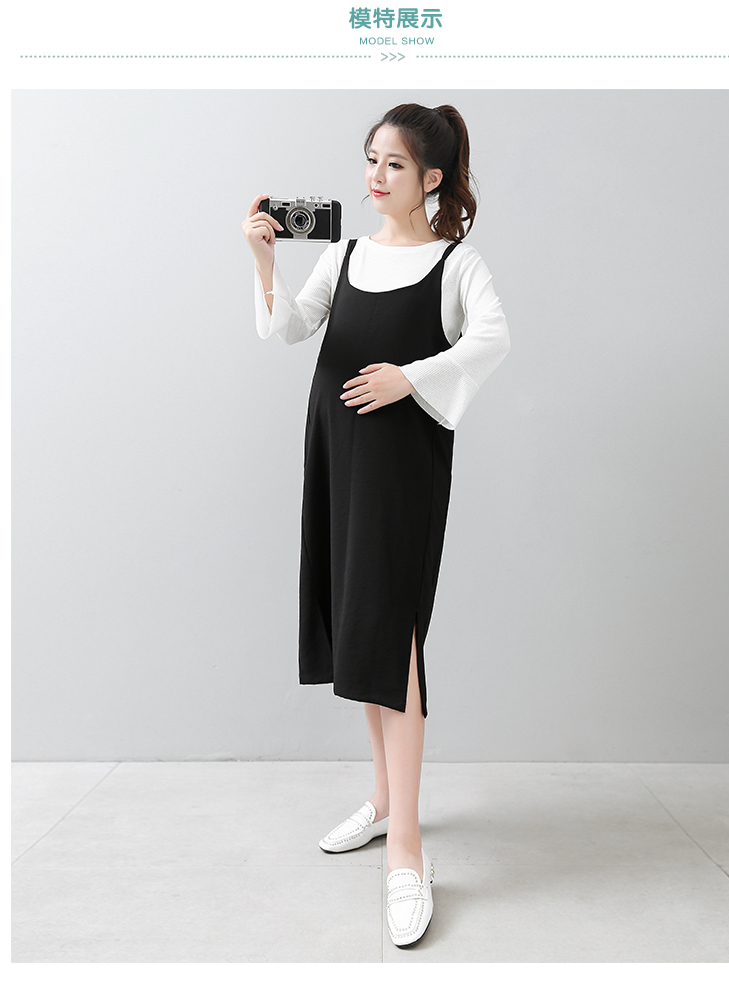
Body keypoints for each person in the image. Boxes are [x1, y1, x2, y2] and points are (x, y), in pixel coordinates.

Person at [241, 103, 510, 947]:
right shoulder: (346, 254)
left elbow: (494, 340)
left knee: (394, 636)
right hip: (335, 454)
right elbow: (287, 330)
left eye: (393, 164)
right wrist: (264, 262)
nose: (375, 176)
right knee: (359, 622)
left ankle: (406, 847)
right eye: (371, 160)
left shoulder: (457, 264)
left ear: (431, 178)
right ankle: (386, 796)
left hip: (401, 471)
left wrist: (411, 377)